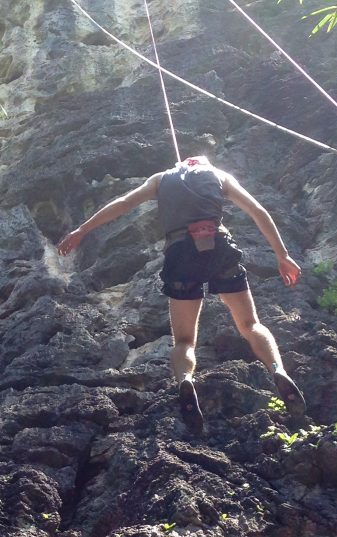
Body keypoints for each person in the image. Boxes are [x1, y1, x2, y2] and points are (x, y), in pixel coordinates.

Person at [57, 155, 306, 434]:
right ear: (203, 162)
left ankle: (186, 379)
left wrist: (82, 230)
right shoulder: (219, 174)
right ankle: (277, 370)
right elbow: (258, 210)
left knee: (184, 340)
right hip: (220, 247)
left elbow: (124, 204)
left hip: (180, 252)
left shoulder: (161, 179)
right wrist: (282, 255)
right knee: (250, 325)